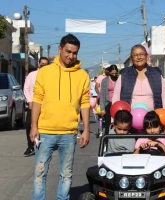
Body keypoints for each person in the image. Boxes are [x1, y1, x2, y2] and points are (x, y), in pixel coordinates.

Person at [30, 33, 90, 200]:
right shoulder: (45, 72)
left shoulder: (82, 75)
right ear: (60, 49)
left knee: (66, 174)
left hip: (69, 133)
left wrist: (86, 129)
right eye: (68, 51)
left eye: (75, 53)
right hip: (44, 132)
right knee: (40, 173)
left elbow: (85, 103)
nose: (71, 56)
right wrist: (33, 126)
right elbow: (37, 99)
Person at [112, 44, 165, 111]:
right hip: (128, 118)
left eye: (142, 54)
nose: (139, 57)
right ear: (131, 58)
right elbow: (116, 98)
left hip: (153, 118)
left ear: (147, 56)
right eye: (135, 55)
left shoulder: (156, 74)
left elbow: (164, 97)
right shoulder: (124, 75)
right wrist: (114, 119)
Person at [23, 57, 49, 157]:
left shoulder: (50, 76)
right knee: (29, 124)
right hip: (33, 104)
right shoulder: (32, 75)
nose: (43, 66)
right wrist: (30, 101)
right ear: (38, 64)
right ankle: (30, 146)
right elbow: (27, 88)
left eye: (46, 64)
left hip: (46, 105)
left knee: (43, 125)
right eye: (42, 64)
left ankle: (42, 145)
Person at [100, 64, 118, 136]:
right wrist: (102, 108)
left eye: (115, 73)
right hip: (108, 104)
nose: (114, 75)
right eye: (112, 73)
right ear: (109, 72)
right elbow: (102, 95)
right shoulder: (105, 81)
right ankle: (107, 141)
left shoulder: (119, 79)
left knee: (117, 123)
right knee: (108, 124)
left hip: (117, 104)